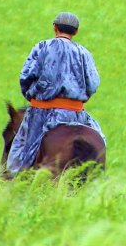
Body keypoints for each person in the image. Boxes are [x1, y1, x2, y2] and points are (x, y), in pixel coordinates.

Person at [6, 12, 106, 176]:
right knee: (99, 141)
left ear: (54, 27)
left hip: (42, 114)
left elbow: (26, 77)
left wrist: (33, 95)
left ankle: (18, 181)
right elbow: (93, 83)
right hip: (76, 114)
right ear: (76, 32)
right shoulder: (84, 53)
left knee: (21, 156)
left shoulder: (42, 47)